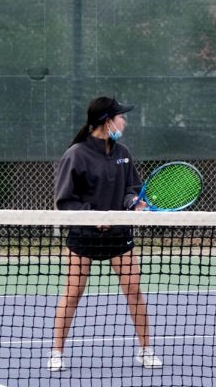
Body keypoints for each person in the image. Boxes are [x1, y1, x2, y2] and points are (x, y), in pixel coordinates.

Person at [48, 96, 162, 371]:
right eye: (121, 117)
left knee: (134, 290)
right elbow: (65, 201)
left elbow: (130, 189)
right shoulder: (75, 154)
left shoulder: (122, 151)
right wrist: (92, 216)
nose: (125, 121)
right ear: (107, 121)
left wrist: (133, 203)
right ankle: (56, 352)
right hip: (83, 235)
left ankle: (145, 350)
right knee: (73, 293)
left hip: (119, 235)